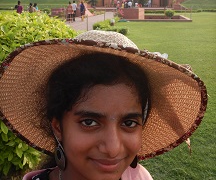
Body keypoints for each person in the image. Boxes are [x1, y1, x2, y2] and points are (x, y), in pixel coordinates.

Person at [0, 30, 207, 180]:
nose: (113, 148)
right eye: (89, 122)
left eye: (129, 122)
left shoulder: (139, 177)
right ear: (58, 127)